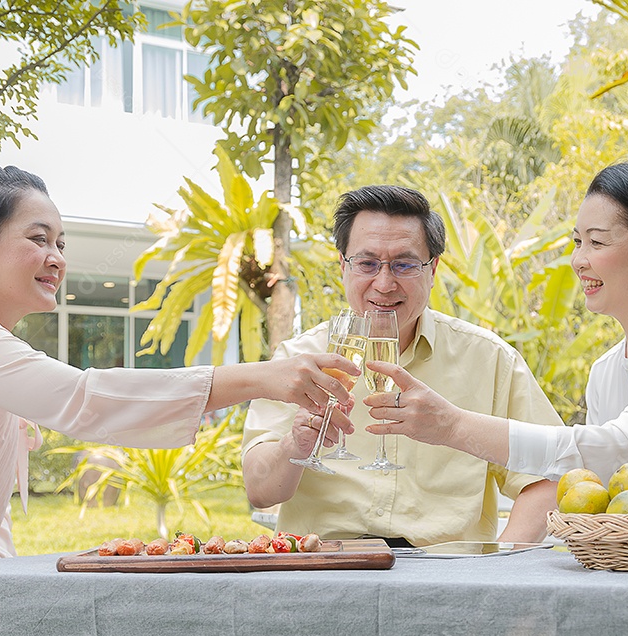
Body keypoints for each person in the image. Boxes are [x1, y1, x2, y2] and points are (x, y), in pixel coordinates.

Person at [0, 165, 360, 568]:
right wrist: (259, 377)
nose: (57, 257)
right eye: (38, 238)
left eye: (60, 243)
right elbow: (84, 399)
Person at [364, 160, 628, 494]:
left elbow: (620, 449)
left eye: (596, 243)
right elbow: (609, 485)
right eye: (577, 241)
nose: (578, 260)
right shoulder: (606, 371)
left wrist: (453, 426)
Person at [241, 185, 563, 546]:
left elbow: (552, 473)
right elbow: (259, 491)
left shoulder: (489, 360)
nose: (384, 283)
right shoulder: (298, 359)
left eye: (404, 265)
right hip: (324, 570)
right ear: (343, 266)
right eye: (367, 264)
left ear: (432, 269)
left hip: (446, 573)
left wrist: (499, 566)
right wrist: (294, 447)